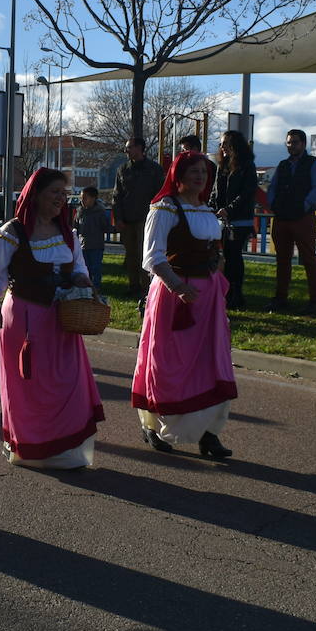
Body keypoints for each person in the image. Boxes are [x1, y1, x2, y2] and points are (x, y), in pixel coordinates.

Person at [0, 168, 104, 469]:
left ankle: (66, 451)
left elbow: (79, 267)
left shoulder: (67, 232)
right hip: (26, 319)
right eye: (54, 192)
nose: (61, 199)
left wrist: (81, 280)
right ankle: (30, 446)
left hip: (63, 319)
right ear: (36, 195)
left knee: (67, 382)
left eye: (64, 193)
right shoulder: (13, 232)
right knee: (30, 387)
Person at [132, 151, 237, 459]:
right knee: (167, 361)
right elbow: (152, 257)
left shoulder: (205, 210)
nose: (200, 176)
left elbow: (215, 252)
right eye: (193, 171)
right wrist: (178, 286)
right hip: (174, 295)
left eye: (203, 171)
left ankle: (209, 432)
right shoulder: (164, 208)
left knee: (211, 360)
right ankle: (153, 425)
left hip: (207, 297)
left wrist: (217, 276)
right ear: (178, 175)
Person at [266, 129, 316, 314]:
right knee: (282, 259)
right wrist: (273, 204)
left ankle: (315, 300)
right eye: (289, 142)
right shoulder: (283, 165)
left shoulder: (313, 164)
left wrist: (303, 206)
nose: (291, 145)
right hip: (281, 218)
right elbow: (272, 187)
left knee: (309, 259)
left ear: (303, 144)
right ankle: (280, 298)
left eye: (295, 142)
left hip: (303, 218)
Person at [212, 130, 261, 310]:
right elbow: (216, 191)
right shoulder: (222, 165)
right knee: (224, 256)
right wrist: (210, 208)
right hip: (222, 219)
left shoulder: (247, 165)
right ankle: (225, 293)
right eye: (221, 144)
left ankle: (236, 294)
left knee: (233, 256)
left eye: (225, 143)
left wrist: (229, 210)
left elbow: (247, 193)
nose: (222, 147)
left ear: (235, 145)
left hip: (240, 220)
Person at [112, 137, 163, 308]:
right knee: (131, 255)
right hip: (127, 220)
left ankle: (146, 288)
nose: (126, 151)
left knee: (145, 255)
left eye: (129, 147)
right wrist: (118, 217)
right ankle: (133, 286)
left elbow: (160, 194)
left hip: (146, 219)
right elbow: (117, 196)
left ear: (140, 148)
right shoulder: (122, 169)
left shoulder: (154, 169)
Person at [74, 186, 108, 289]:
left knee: (96, 268)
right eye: (81, 198)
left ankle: (96, 287)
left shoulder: (100, 212)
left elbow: (105, 226)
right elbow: (76, 227)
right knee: (85, 268)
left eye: (85, 198)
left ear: (93, 198)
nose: (82, 200)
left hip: (96, 245)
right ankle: (87, 286)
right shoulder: (80, 212)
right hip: (83, 245)